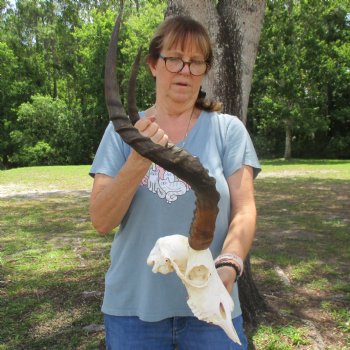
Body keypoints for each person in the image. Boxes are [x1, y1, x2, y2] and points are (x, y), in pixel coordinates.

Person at [89, 15, 261, 350]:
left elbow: (244, 210)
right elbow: (101, 220)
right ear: (154, 64)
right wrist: (139, 158)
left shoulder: (227, 131)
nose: (185, 70)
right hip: (133, 311)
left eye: (196, 62)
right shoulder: (121, 133)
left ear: (205, 70)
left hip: (212, 302)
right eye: (174, 59)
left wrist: (229, 265)